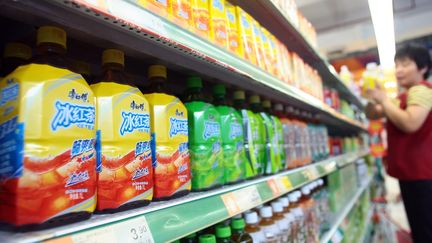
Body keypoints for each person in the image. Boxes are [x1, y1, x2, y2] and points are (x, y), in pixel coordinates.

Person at [366, 44, 432, 243]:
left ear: (422, 68)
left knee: (425, 229)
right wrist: (372, 97)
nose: (399, 70)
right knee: (420, 227)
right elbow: (373, 113)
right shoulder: (402, 97)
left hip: (422, 175)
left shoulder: (421, 90)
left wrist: (384, 100)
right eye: (396, 64)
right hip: (411, 174)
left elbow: (410, 123)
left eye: (405, 64)